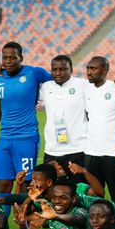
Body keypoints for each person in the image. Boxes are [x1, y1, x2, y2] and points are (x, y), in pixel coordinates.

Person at [0, 41, 52, 204]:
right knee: (2, 184)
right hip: (4, 138)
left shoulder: (34, 73)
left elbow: (59, 79)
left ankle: (25, 224)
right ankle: (1, 224)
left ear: (21, 58)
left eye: (13, 57)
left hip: (26, 137)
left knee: (26, 183)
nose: (8, 61)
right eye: (5, 58)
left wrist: (41, 99)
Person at [83, 55, 115, 208]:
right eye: (88, 68)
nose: (89, 72)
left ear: (105, 70)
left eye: (93, 68)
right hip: (91, 152)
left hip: (112, 153)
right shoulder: (86, 90)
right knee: (93, 197)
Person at [39, 55, 88, 185]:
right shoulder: (45, 87)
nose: (58, 73)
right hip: (51, 150)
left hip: (77, 149)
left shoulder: (83, 85)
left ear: (71, 69)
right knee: (52, 190)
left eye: (62, 69)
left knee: (78, 191)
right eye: (54, 69)